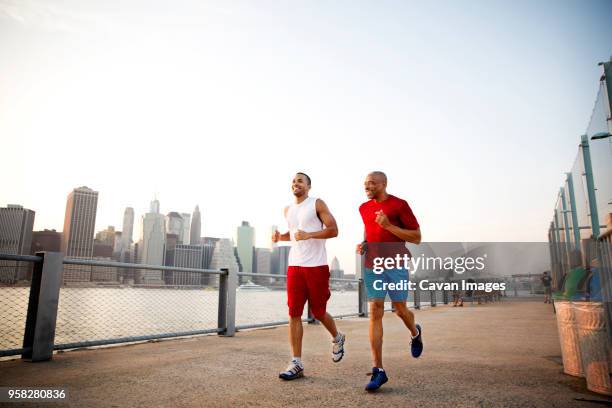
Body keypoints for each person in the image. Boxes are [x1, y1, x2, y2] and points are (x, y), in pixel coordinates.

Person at [272, 172, 345, 381]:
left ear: (309, 186)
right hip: (294, 266)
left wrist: (309, 234)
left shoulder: (317, 204)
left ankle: (338, 338)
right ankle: (296, 362)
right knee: (294, 313)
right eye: (293, 181)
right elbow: (294, 235)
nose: (296, 183)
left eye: (300, 181)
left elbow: (333, 230)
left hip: (316, 266)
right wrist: (280, 237)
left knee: (319, 312)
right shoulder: (288, 209)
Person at [357, 171, 423, 392]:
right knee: (375, 310)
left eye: (372, 183)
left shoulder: (399, 205)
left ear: (383, 184)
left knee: (400, 309)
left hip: (396, 265)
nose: (367, 186)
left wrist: (389, 227)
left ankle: (415, 332)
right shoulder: (363, 208)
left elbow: (417, 237)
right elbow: (369, 230)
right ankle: (379, 370)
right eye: (365, 183)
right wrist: (364, 243)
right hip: (372, 265)